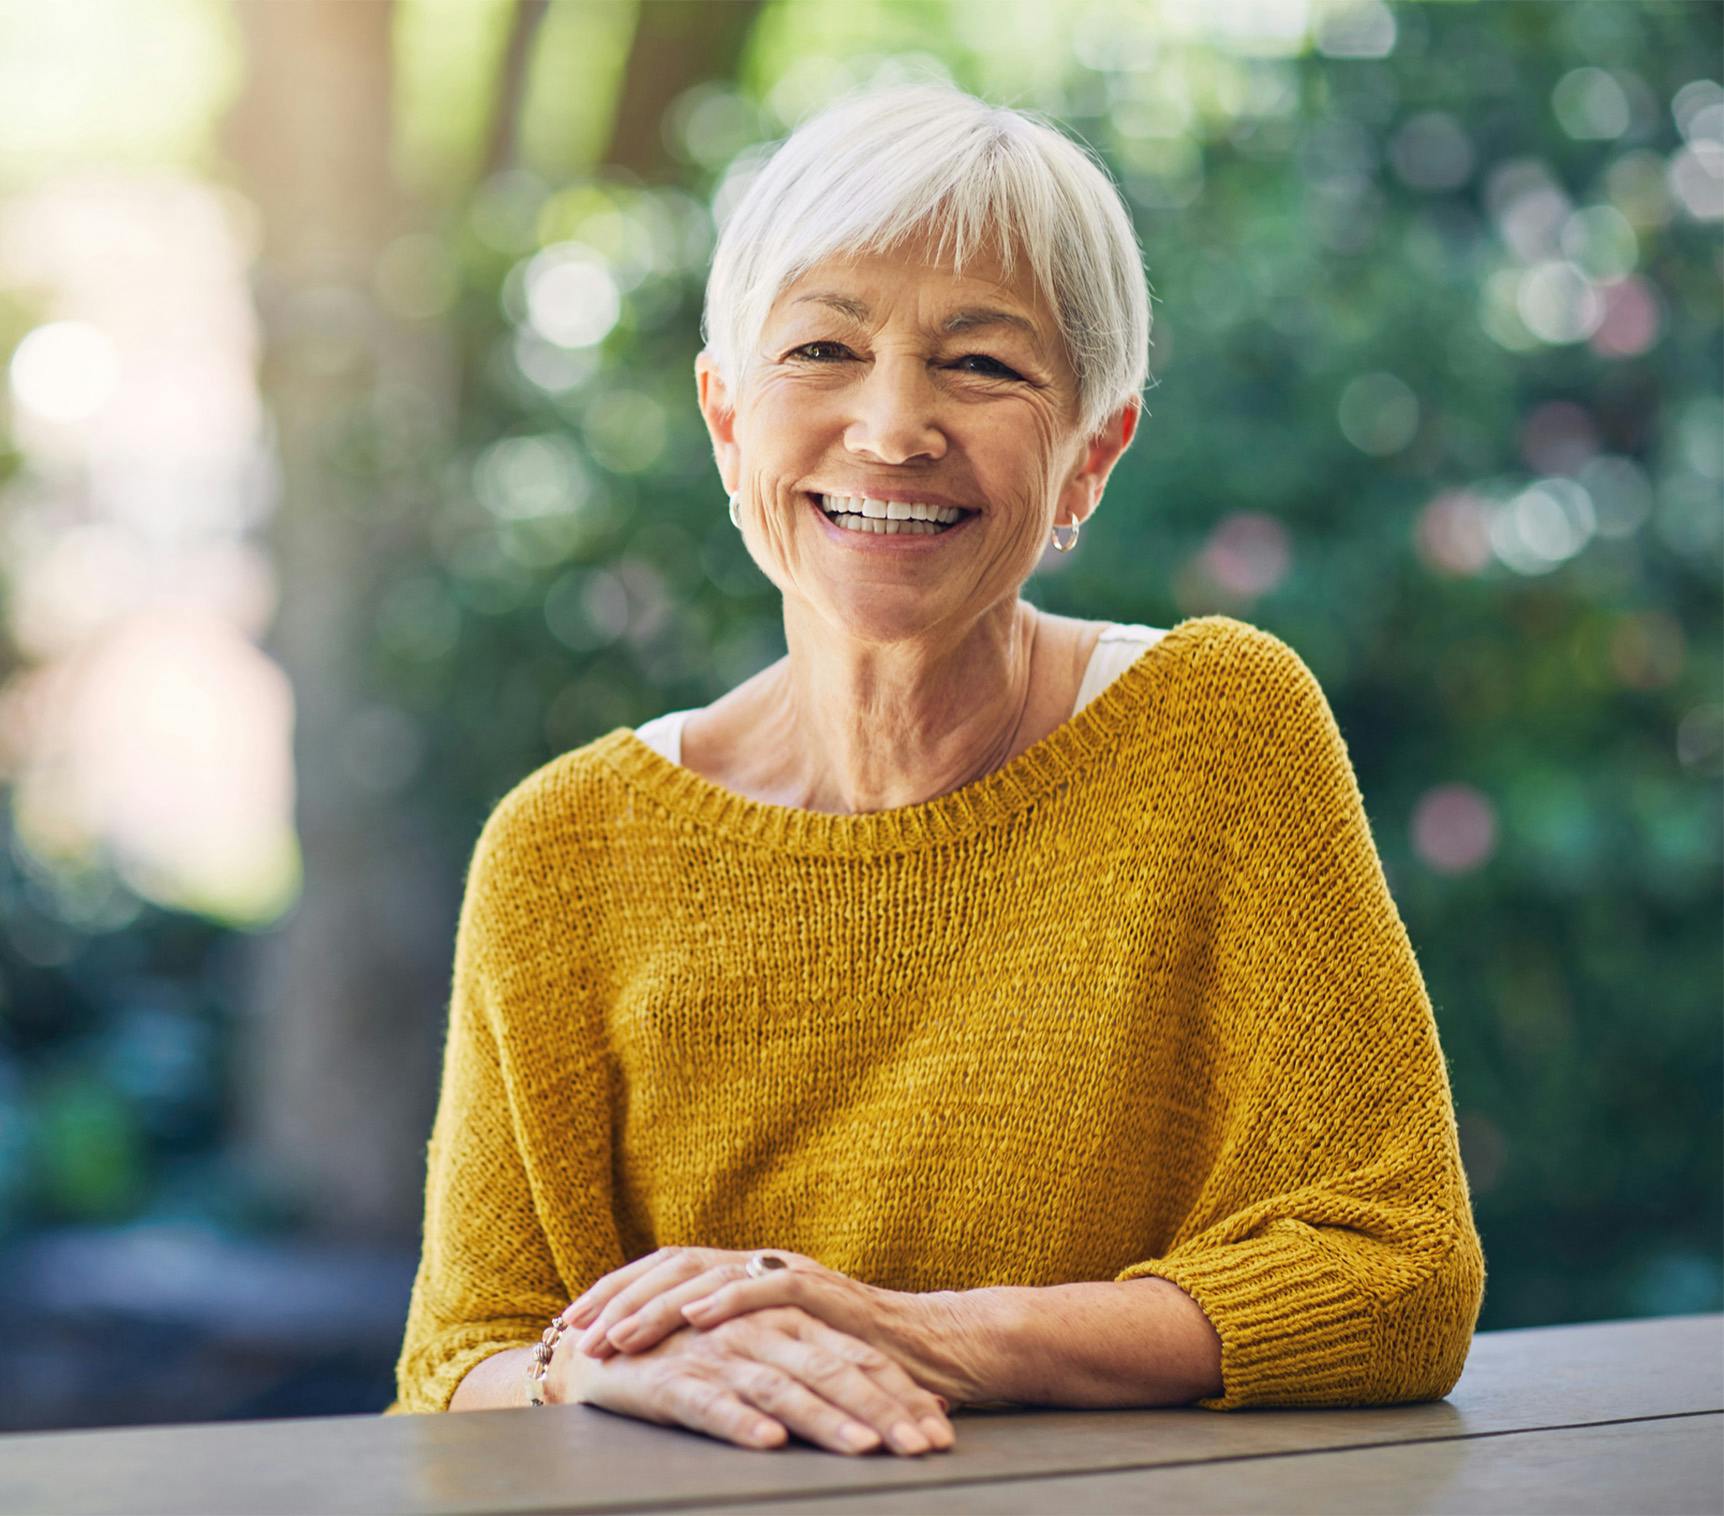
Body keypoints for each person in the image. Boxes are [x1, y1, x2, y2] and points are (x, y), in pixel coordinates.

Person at [385, 82, 1486, 1458]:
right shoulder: (563, 851)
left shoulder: (1223, 734)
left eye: (981, 365)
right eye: (824, 349)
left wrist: (922, 1334)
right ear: (727, 424)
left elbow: (1398, 1276)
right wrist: (585, 1375)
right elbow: (455, 1368)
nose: (895, 429)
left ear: (1092, 452)